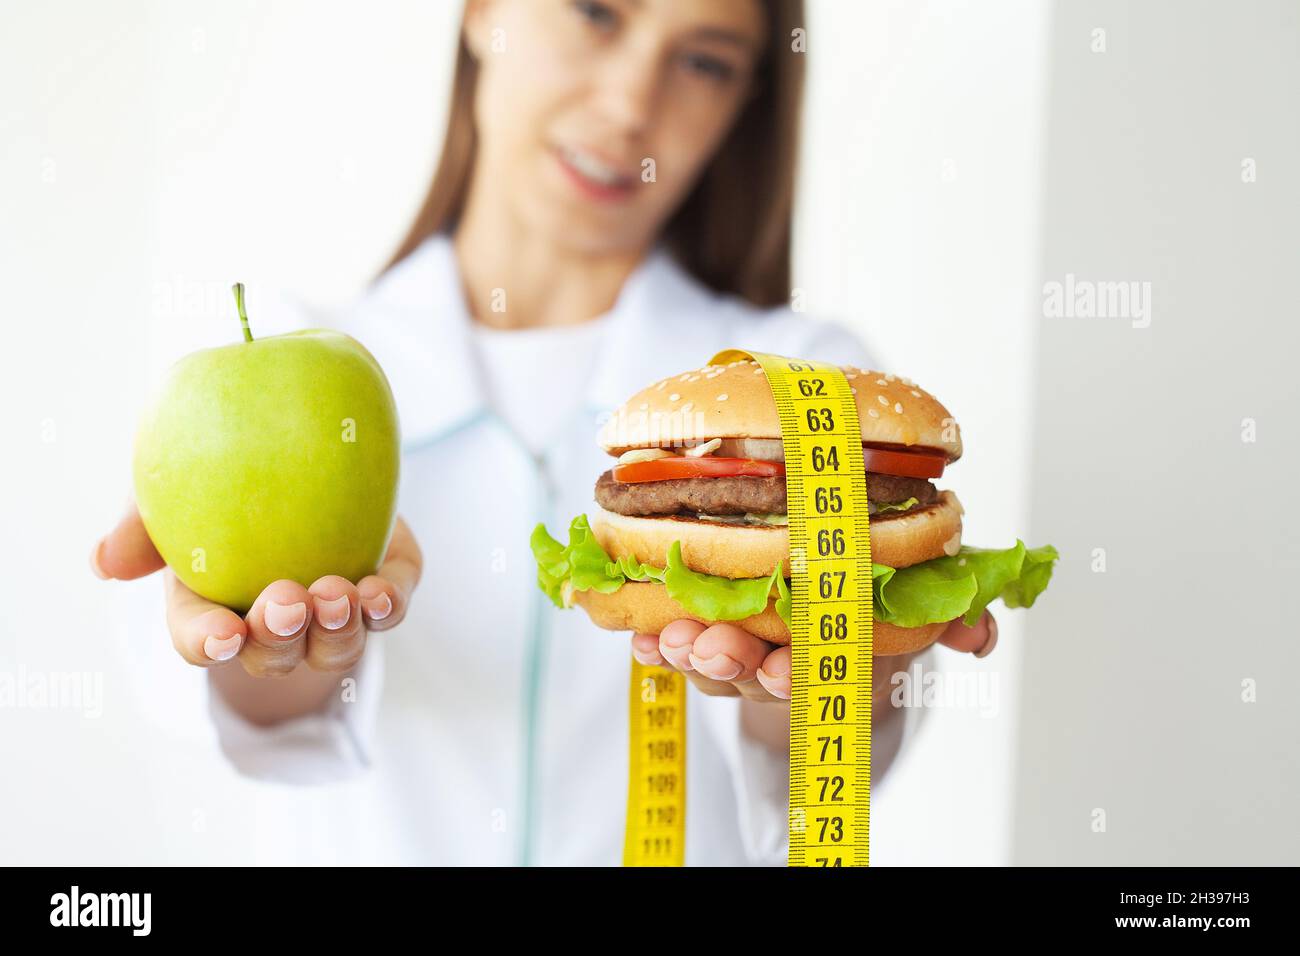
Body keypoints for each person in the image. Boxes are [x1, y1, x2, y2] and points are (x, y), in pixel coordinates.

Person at [90, 0, 995, 865]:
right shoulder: (270, 388)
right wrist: (275, 653)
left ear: (744, 103)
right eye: (596, 12)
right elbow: (241, 726)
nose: (629, 105)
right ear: (484, 11)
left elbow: (820, 789)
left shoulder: (809, 379)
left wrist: (831, 665)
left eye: (705, 61)